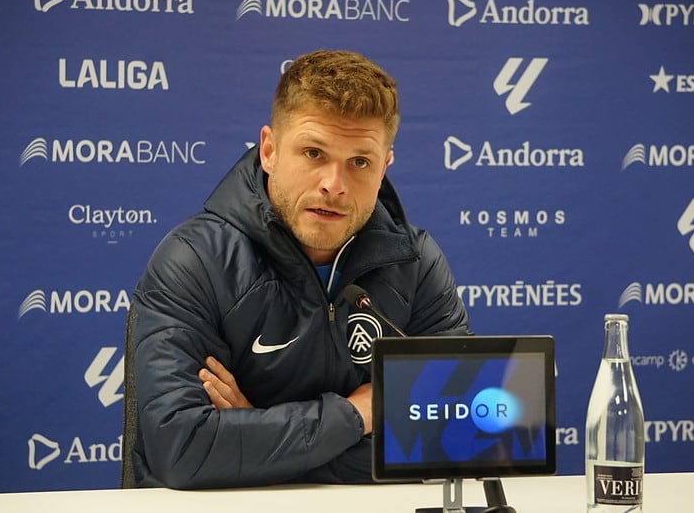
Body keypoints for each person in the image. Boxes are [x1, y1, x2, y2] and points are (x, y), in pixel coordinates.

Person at [130, 49, 470, 489]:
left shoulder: (417, 263)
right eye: (313, 153)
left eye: (360, 162)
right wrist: (358, 414)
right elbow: (182, 450)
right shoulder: (194, 260)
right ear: (269, 151)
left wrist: (255, 437)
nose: (334, 184)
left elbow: (456, 438)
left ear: (385, 166)